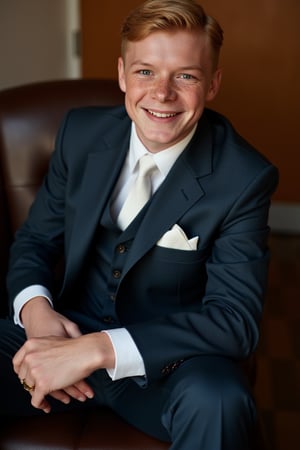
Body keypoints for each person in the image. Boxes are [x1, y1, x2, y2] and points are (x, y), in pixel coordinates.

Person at [0, 0, 278, 448]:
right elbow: (34, 242)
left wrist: (95, 350)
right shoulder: (79, 133)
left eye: (185, 75)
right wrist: (38, 318)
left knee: (220, 401)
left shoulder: (244, 177)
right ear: (122, 75)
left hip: (168, 363)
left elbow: (234, 320)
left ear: (212, 85)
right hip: (65, 327)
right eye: (145, 71)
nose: (162, 92)